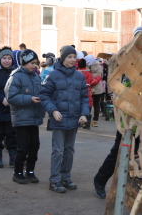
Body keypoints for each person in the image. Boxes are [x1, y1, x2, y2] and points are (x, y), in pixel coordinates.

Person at [40, 45, 89, 193]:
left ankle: (65, 177)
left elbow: (84, 98)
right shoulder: (53, 75)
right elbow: (44, 95)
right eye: (69, 57)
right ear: (63, 59)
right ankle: (54, 180)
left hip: (74, 120)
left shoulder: (79, 76)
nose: (73, 60)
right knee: (58, 151)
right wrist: (53, 110)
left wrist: (84, 114)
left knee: (69, 150)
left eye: (74, 57)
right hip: (59, 120)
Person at [5, 49, 45, 184]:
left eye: (36, 63)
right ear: (24, 62)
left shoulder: (36, 76)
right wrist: (30, 99)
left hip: (34, 117)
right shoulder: (16, 76)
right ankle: (17, 173)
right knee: (23, 147)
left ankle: (30, 171)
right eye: (32, 63)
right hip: (22, 118)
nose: (35, 65)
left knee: (35, 146)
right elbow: (11, 97)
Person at [78, 59, 101, 130]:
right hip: (87, 92)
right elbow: (93, 82)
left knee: (78, 107)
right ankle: (87, 124)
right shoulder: (88, 73)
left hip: (77, 92)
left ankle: (79, 123)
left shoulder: (76, 73)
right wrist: (98, 77)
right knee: (87, 107)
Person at [85, 54, 103, 128]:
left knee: (88, 105)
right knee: (96, 105)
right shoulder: (99, 67)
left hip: (89, 88)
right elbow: (101, 77)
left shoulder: (87, 68)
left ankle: (87, 121)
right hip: (98, 88)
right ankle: (95, 121)